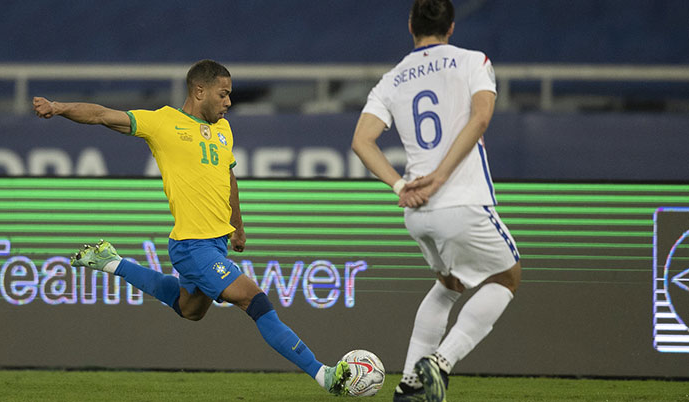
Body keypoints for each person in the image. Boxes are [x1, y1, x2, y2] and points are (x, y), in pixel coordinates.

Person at [32, 59, 351, 396]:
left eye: (230, 95)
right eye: (223, 94)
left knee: (190, 310)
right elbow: (101, 115)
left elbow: (228, 178)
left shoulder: (224, 129)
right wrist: (59, 107)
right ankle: (323, 374)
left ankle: (110, 261)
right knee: (255, 300)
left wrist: (237, 226)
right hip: (192, 246)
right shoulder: (163, 123)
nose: (229, 102)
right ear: (200, 91)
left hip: (215, 244)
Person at [351, 1, 521, 401]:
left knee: (449, 284)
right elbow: (481, 117)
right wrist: (441, 176)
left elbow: (361, 141)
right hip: (460, 201)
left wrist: (400, 186)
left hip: (417, 212)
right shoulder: (472, 61)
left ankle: (409, 384)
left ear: (411, 25)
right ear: (452, 26)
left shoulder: (392, 79)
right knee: (507, 277)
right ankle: (441, 361)